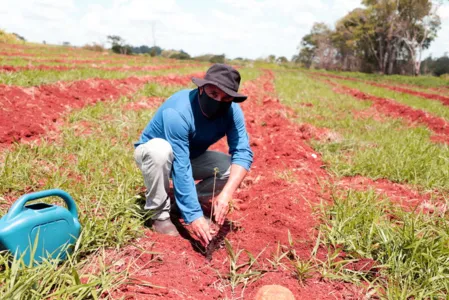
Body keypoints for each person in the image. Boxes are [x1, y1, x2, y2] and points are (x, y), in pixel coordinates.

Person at [134, 64, 253, 246]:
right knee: (160, 150)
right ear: (201, 88)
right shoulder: (179, 111)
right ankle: (159, 214)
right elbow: (181, 167)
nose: (218, 101)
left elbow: (243, 153)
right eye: (213, 94)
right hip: (153, 155)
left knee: (229, 169)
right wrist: (194, 216)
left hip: (190, 155)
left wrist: (227, 194)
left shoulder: (232, 113)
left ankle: (181, 205)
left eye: (226, 98)